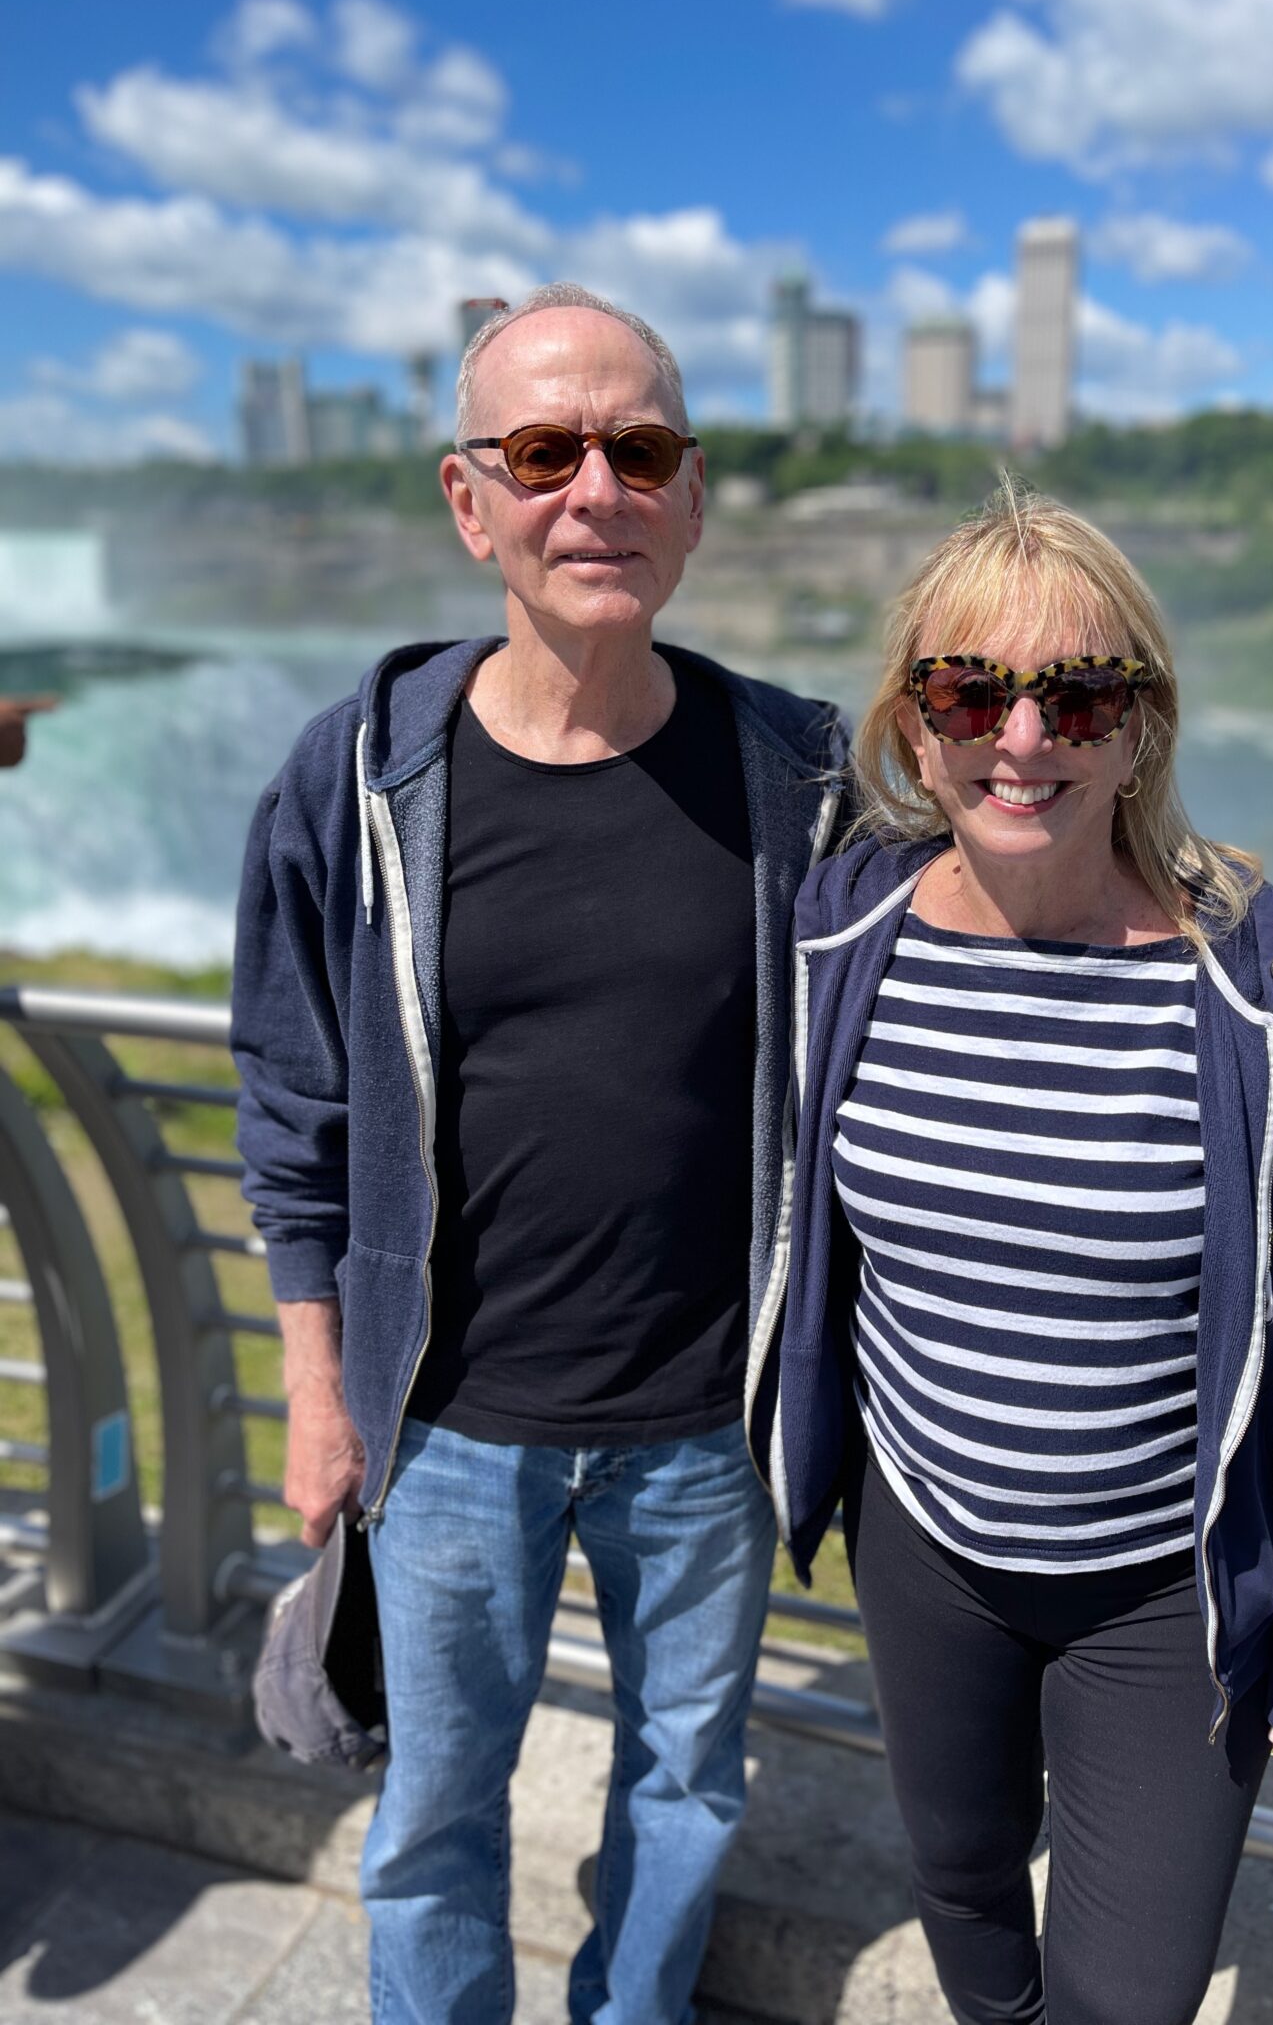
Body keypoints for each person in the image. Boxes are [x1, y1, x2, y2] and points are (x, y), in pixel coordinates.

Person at [232, 284, 848, 2024]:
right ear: (469, 499)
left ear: (694, 496)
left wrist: (1249, 994)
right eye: (545, 450)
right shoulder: (357, 774)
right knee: (434, 1813)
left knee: (686, 1788)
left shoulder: (795, 773)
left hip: (706, 1430)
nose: (598, 488)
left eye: (640, 449)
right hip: (444, 1426)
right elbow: (294, 1099)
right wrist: (316, 1386)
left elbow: (992, 922)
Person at [747, 490, 1273, 2025]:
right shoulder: (843, 934)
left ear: (1141, 730)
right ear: (916, 728)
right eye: (970, 688)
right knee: (966, 1885)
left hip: (1162, 1598)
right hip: (923, 1548)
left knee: (1130, 1998)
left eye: (1082, 694)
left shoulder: (1263, 979)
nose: (1024, 734)